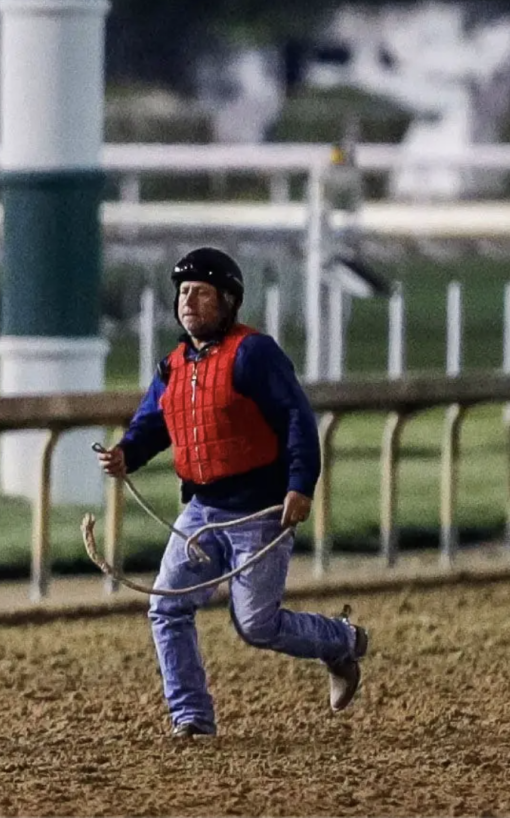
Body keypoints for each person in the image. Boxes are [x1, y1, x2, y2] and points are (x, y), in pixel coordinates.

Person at [96, 247, 370, 738]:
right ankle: (191, 718)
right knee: (166, 607)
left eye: (201, 293)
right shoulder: (172, 366)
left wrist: (300, 485)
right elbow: (152, 424)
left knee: (257, 626)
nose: (188, 302)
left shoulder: (254, 354)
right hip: (201, 512)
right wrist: (126, 454)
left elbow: (296, 418)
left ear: (228, 300)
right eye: (184, 293)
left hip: (261, 513)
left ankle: (341, 642)